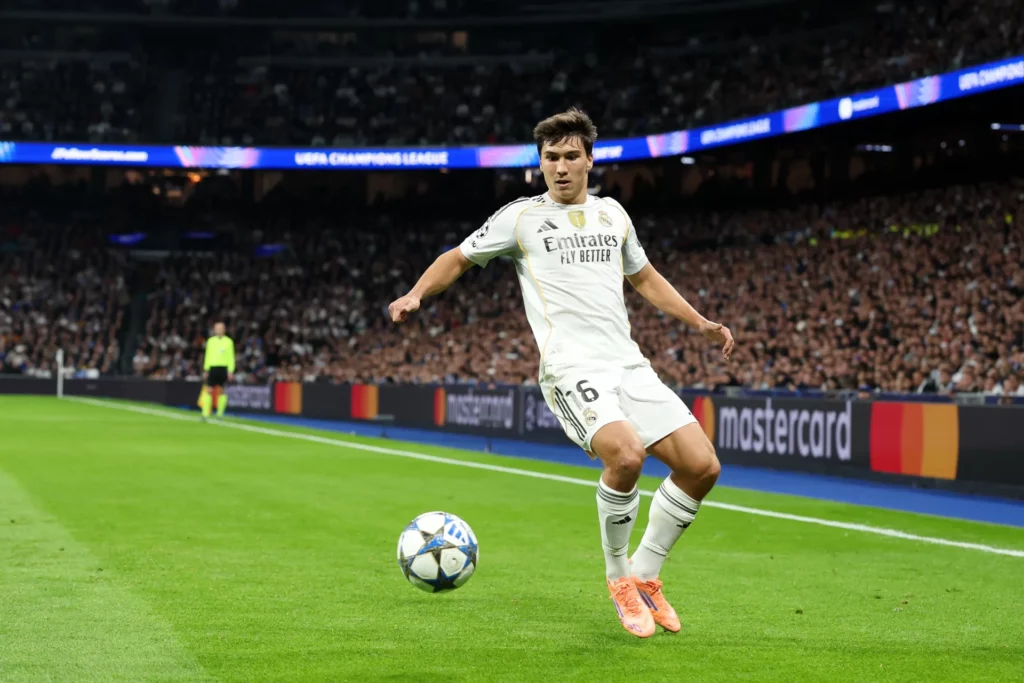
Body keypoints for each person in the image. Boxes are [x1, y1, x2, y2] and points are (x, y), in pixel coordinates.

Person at [388, 108, 734, 638]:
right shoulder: (521, 217)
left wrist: (700, 322)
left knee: (702, 466)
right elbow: (457, 257)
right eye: (551, 157)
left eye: (572, 156)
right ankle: (619, 578)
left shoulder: (614, 215)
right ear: (541, 164)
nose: (561, 166)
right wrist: (415, 293)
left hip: (627, 364)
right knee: (626, 454)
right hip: (570, 368)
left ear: (590, 161)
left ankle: (646, 573)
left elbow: (645, 278)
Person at [198, 322, 235, 420]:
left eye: (220, 328)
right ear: (214, 330)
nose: (219, 330)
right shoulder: (210, 341)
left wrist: (230, 370)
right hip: (212, 368)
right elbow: (208, 355)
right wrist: (206, 369)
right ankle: (205, 414)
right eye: (217, 328)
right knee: (209, 390)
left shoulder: (228, 342)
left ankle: (219, 414)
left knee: (221, 391)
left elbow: (231, 357)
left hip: (223, 368)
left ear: (224, 329)